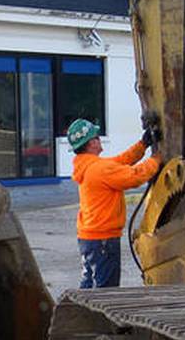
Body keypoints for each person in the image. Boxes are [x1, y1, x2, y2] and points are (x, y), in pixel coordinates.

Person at [68, 118, 161, 288]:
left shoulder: (89, 165)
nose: (99, 139)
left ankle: (84, 306)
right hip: (103, 239)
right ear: (91, 143)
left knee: (90, 284)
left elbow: (120, 161)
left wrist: (143, 145)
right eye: (97, 137)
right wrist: (156, 160)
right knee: (105, 290)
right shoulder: (99, 169)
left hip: (91, 238)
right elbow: (134, 176)